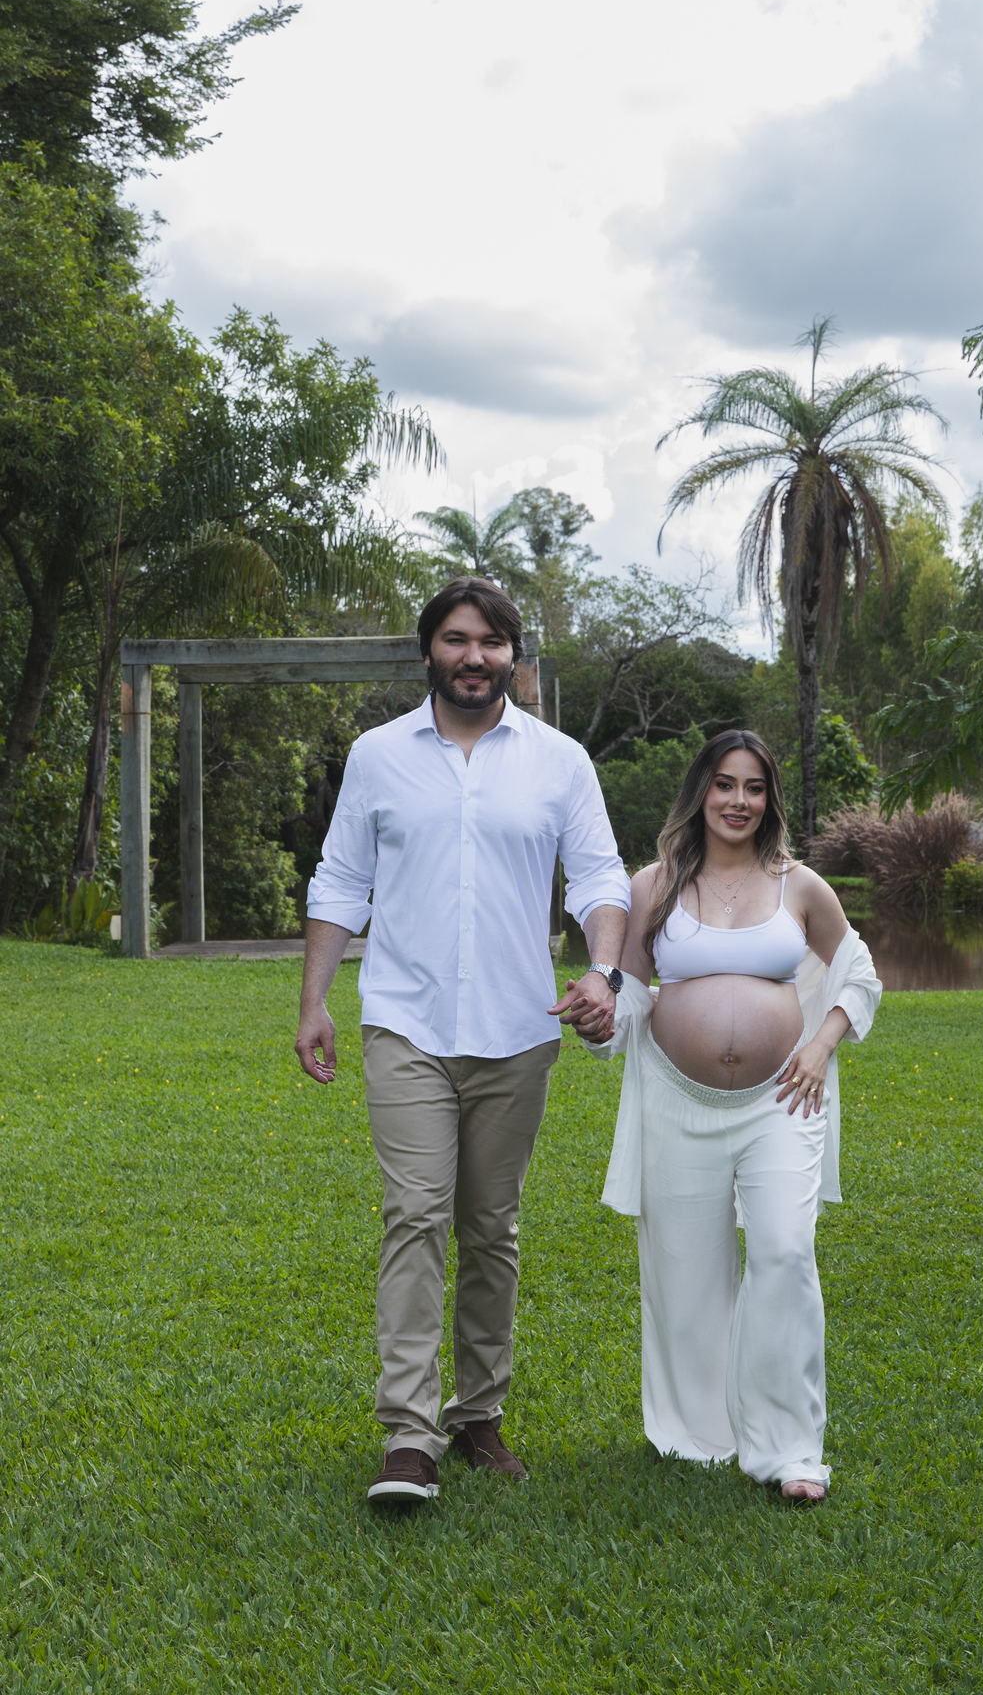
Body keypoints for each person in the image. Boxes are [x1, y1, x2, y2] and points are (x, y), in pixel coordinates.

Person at [296, 576, 629, 1505]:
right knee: (415, 1214)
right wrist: (315, 1001)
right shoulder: (377, 756)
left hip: (519, 1031)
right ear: (429, 653)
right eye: (455, 639)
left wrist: (603, 972)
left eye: (490, 641)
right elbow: (340, 879)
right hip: (405, 1021)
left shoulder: (561, 762)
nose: (473, 657)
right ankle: (409, 1435)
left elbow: (601, 877)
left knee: (491, 1226)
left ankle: (477, 1413)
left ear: (512, 655)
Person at [578, 729, 880, 1501]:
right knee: (686, 1272)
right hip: (679, 1102)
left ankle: (790, 1449)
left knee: (785, 1252)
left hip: (782, 1098)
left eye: (753, 787)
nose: (738, 801)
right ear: (700, 792)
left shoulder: (800, 886)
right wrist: (601, 1016)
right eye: (723, 784)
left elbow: (858, 972)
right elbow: (631, 990)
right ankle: (701, 1437)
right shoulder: (654, 886)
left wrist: (821, 1046)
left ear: (769, 799)